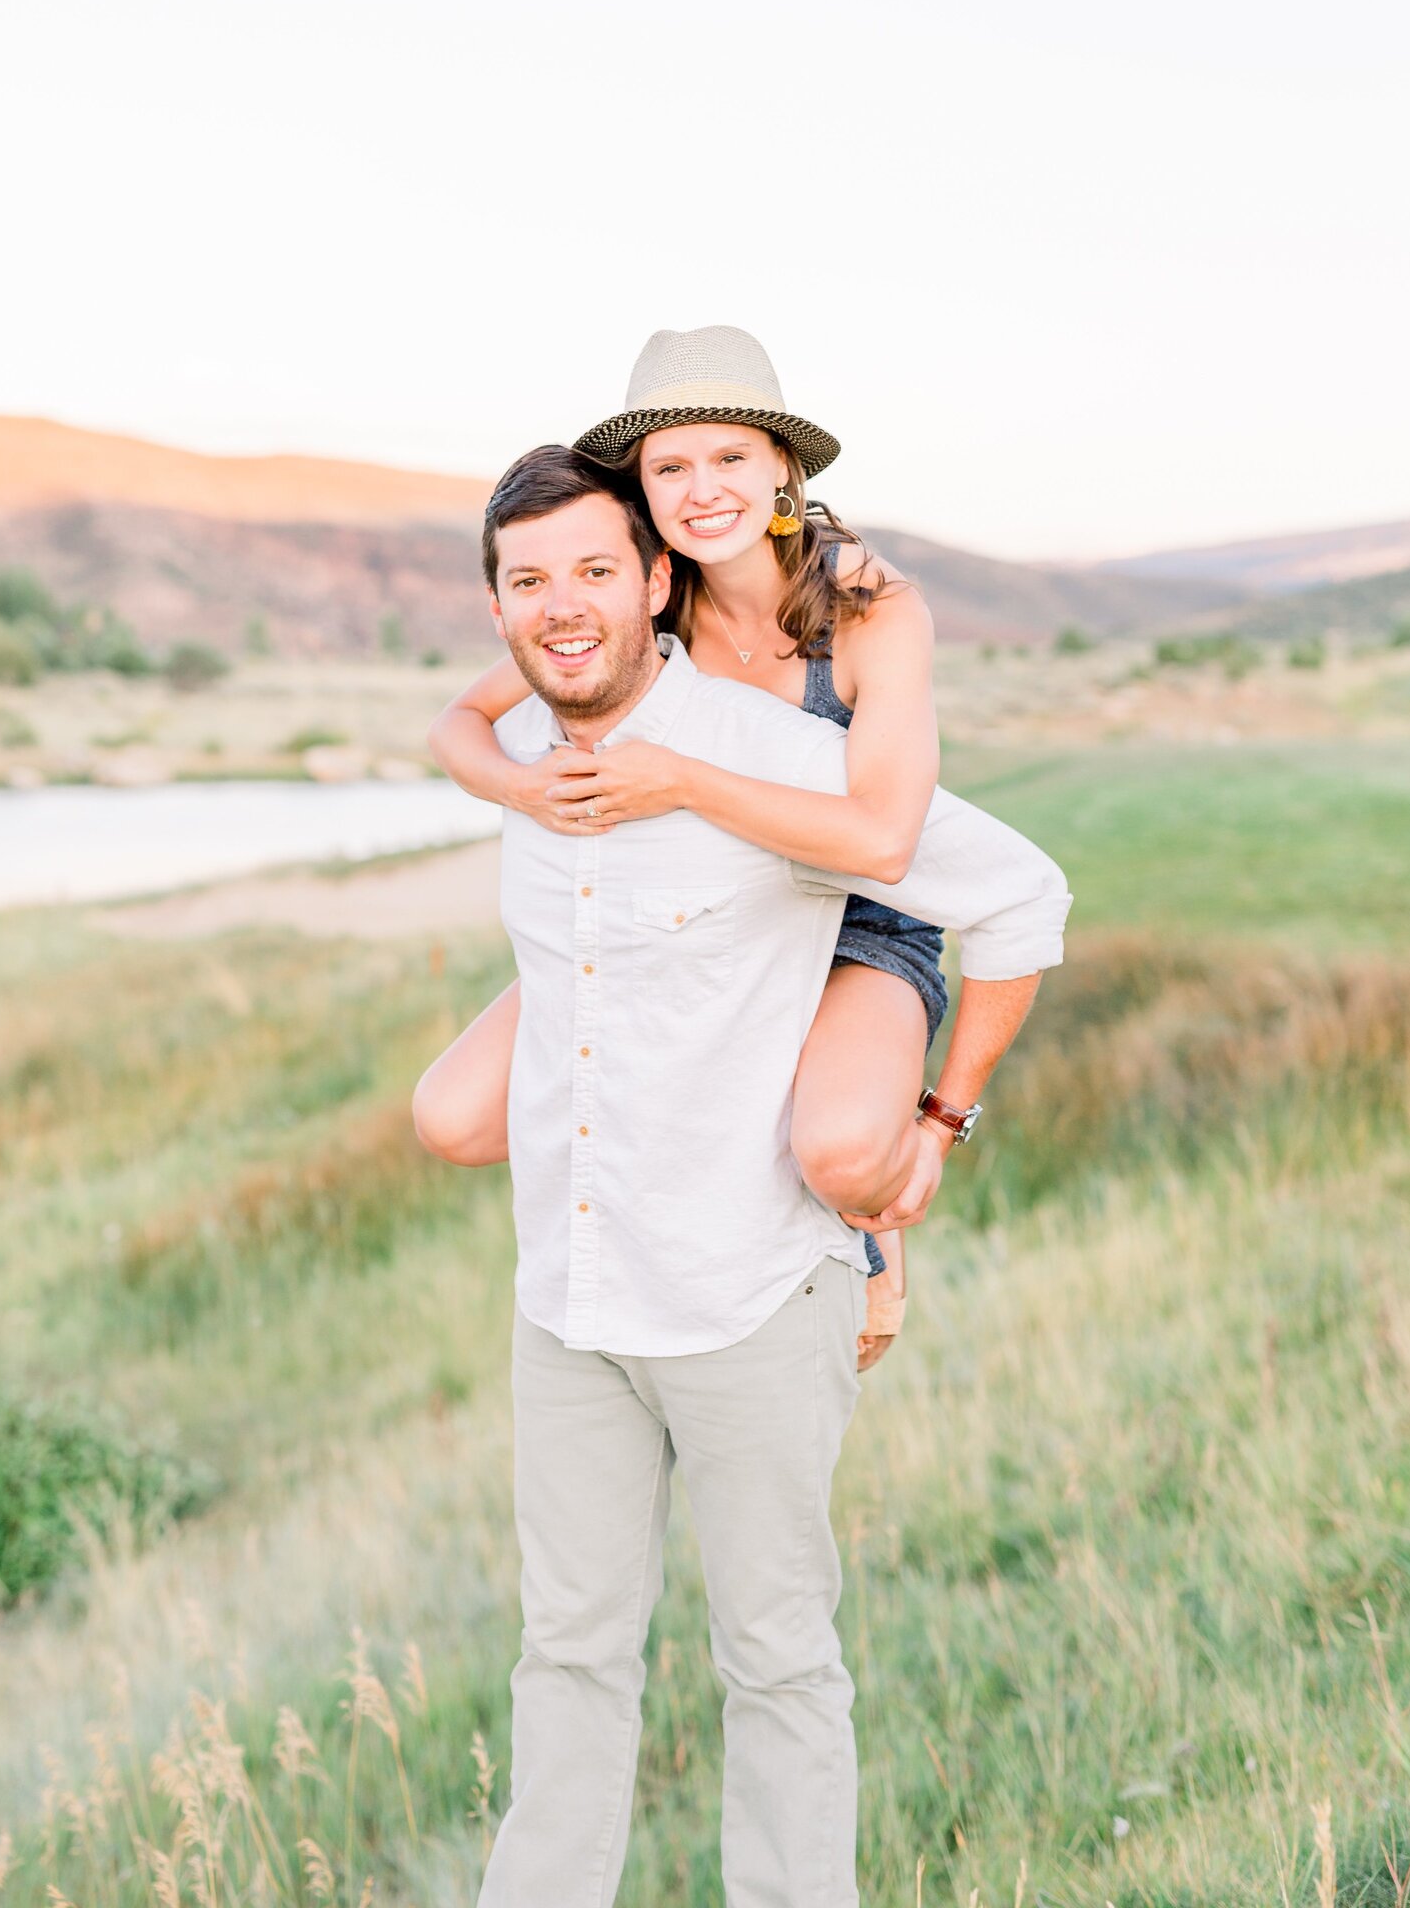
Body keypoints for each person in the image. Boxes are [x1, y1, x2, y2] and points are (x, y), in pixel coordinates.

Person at [416, 434, 1069, 1906]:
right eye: (527, 580)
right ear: (500, 614)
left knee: (775, 1657)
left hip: (744, 1297)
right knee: (567, 1653)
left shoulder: (779, 756)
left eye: (594, 569)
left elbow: (1022, 902)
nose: (561, 602)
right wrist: (512, 783)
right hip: (572, 1301)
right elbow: (466, 750)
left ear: (658, 581)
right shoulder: (522, 765)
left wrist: (940, 1133)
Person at [421, 326, 1027, 1364]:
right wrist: (524, 789)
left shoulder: (873, 612)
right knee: (458, 1117)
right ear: (642, 494)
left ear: (782, 468)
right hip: (688, 914)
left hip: (852, 917)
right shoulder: (655, 593)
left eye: (730, 457)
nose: (703, 490)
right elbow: (455, 726)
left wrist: (939, 1119)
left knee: (838, 1154)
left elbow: (883, 842)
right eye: (671, 468)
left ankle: (858, 1239)